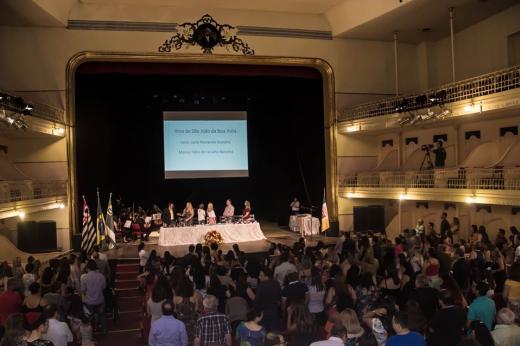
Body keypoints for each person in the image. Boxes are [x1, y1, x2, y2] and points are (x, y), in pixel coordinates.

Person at [80, 260, 107, 334]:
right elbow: (104, 287)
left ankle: (90, 331)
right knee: (101, 315)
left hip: (89, 301)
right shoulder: (101, 276)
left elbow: (83, 290)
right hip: (100, 300)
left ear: (87, 267)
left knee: (89, 316)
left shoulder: (84, 277)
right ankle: (104, 329)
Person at [254, 267, 281, 332]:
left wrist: (256, 310)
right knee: (274, 333)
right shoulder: (276, 283)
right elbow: (279, 297)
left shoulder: (261, 286)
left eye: (261, 275)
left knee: (264, 333)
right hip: (274, 312)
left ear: (266, 276)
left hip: (264, 314)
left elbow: (257, 301)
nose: (259, 277)